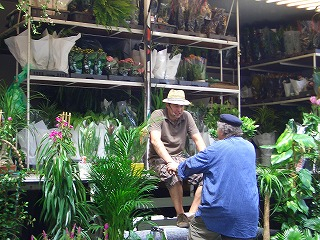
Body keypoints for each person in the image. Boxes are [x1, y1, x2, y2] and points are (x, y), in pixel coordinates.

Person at [167, 114, 259, 239]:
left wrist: (176, 167)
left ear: (221, 130)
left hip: (219, 212)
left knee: (197, 230)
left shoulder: (216, 148)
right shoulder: (249, 147)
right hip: (248, 214)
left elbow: (191, 165)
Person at [148, 89, 207, 228]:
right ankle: (180, 215)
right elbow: (155, 141)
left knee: (207, 175)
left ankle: (191, 215)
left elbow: (198, 139)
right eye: (175, 105)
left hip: (180, 157)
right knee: (173, 173)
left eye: (181, 106)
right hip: (159, 158)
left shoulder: (186, 116)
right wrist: (170, 162)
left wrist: (206, 160)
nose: (179, 109)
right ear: (168, 105)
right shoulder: (158, 115)